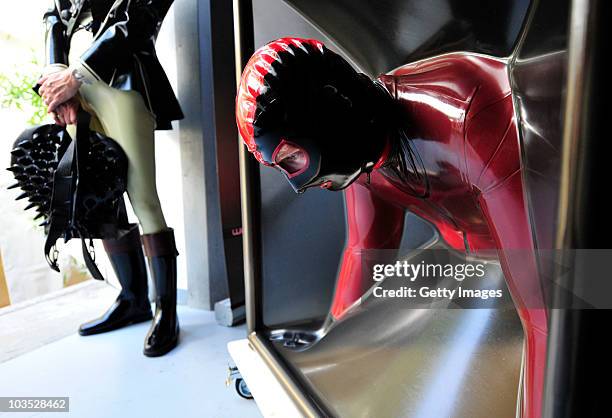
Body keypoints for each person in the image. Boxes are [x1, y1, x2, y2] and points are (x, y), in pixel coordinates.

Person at [236, 38, 546, 418]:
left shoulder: (468, 114)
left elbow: (550, 297)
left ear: (329, 109)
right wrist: (336, 356)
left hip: (562, 257)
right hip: (472, 261)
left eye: (292, 158)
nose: (298, 182)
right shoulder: (363, 155)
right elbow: (364, 252)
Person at [37, 0, 182, 357]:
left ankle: (167, 310)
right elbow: (54, 15)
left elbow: (142, 15)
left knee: (142, 196)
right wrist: (57, 79)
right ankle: (133, 299)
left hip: (120, 76)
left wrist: (75, 76)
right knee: (97, 192)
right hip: (74, 85)